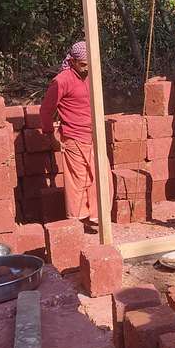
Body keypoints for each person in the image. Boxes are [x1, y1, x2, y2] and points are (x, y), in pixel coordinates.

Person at [40, 41, 113, 226]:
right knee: (78, 182)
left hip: (95, 136)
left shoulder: (92, 76)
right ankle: (78, 222)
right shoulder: (61, 80)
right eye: (83, 65)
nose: (87, 69)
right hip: (74, 137)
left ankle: (98, 218)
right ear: (72, 61)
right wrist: (51, 136)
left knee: (102, 177)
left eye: (90, 64)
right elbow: (45, 110)